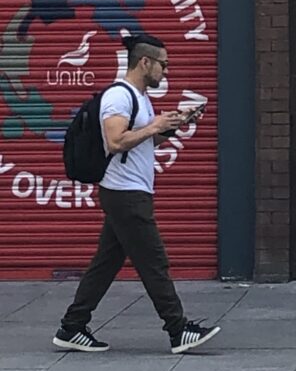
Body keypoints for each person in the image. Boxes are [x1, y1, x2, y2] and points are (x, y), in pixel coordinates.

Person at [52, 32, 220, 354]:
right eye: (162, 65)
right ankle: (178, 329)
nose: (165, 71)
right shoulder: (119, 96)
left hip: (130, 192)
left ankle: (72, 327)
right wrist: (154, 125)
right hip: (125, 193)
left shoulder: (141, 98)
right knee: (154, 262)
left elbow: (143, 142)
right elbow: (116, 141)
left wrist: (173, 126)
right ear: (145, 62)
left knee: (105, 264)